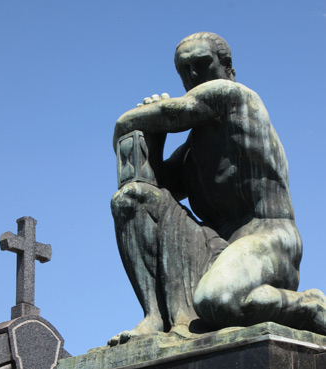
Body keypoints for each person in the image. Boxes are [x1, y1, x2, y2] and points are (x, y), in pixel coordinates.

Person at [109, 32, 326, 346]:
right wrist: (152, 140)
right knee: (132, 199)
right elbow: (156, 184)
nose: (193, 75)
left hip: (268, 236)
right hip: (215, 244)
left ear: (227, 68)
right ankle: (154, 316)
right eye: (184, 70)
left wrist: (128, 121)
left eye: (201, 64)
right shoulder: (192, 152)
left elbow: (173, 112)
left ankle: (307, 306)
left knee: (218, 300)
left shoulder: (235, 98)